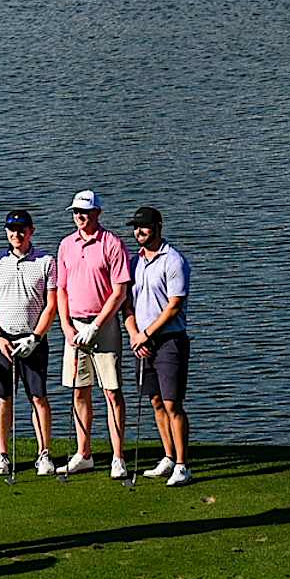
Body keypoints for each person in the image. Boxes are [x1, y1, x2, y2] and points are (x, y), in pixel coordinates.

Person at [53, 189, 133, 478]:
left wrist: (97, 326)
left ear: (97, 213)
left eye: (85, 212)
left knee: (111, 392)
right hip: (74, 326)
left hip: (104, 326)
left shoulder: (112, 243)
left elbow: (120, 291)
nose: (79, 217)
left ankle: (118, 457)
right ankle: (83, 454)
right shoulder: (66, 245)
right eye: (76, 212)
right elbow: (61, 290)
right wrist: (66, 327)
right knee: (79, 391)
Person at [0, 209, 57, 476]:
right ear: (6, 232)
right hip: (3, 341)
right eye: (12, 230)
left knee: (38, 397)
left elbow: (52, 306)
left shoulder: (46, 262)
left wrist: (36, 337)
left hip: (33, 340)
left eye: (22, 229)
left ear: (31, 231)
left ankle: (44, 453)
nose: (17, 234)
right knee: (3, 398)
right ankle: (1, 453)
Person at [123, 206, 194, 487]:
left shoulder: (173, 260)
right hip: (142, 341)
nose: (138, 232)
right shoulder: (133, 262)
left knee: (172, 403)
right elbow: (126, 304)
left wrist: (147, 333)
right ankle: (168, 456)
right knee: (155, 401)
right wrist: (134, 335)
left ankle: (182, 464)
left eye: (144, 227)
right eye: (136, 227)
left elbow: (174, 306)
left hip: (169, 341)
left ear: (158, 227)